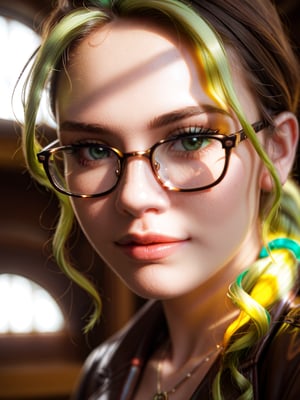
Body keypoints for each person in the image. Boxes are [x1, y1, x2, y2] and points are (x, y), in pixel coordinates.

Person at [21, 0, 300, 398]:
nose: (134, 196)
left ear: (277, 148)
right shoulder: (102, 374)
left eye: (191, 139)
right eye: (92, 150)